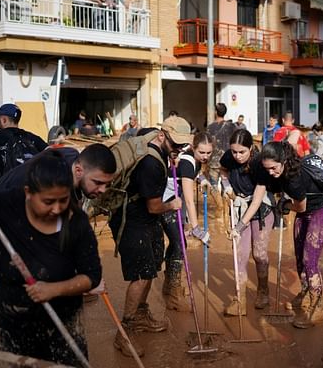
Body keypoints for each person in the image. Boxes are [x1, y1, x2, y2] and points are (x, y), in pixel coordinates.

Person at [0, 151, 102, 366]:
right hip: (13, 318)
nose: (57, 209)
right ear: (29, 193)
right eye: (48, 202)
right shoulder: (6, 204)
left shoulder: (77, 222)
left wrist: (54, 289)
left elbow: (92, 275)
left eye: (64, 200)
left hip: (63, 320)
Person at [107, 116, 192, 356]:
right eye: (175, 144)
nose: (178, 149)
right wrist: (174, 204)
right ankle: (124, 332)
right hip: (132, 217)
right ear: (163, 135)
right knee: (142, 274)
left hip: (144, 214)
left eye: (182, 146)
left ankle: (141, 314)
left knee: (154, 263)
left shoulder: (150, 134)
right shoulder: (150, 164)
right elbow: (155, 206)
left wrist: (172, 154)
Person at [260, 141, 323, 329]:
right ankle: (305, 293)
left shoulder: (294, 178)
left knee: (311, 262)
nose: (270, 172)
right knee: (300, 259)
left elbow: (299, 206)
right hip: (304, 213)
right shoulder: (280, 171)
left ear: (283, 161)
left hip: (320, 212)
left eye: (274, 168)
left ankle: (317, 307)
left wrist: (284, 206)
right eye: (267, 169)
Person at [220, 129, 276, 315]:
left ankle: (263, 291)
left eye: (242, 152)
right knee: (240, 255)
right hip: (240, 205)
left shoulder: (260, 164)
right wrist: (226, 186)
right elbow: (223, 170)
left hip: (260, 209)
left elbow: (258, 200)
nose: (237, 156)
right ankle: (240, 301)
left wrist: (238, 226)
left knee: (259, 254)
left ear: (251, 148)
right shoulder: (229, 157)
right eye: (234, 151)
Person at [158, 131, 214, 312]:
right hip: (165, 203)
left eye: (208, 153)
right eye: (202, 153)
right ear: (194, 148)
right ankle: (174, 294)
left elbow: (191, 175)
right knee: (180, 244)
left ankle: (168, 287)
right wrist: (196, 228)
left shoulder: (192, 160)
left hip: (173, 201)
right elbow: (189, 200)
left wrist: (202, 178)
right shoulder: (188, 162)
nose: (205, 157)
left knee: (176, 243)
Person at [0, 143, 116, 209]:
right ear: (78, 171)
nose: (103, 190)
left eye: (107, 184)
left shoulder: (74, 158)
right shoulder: (51, 182)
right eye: (98, 183)